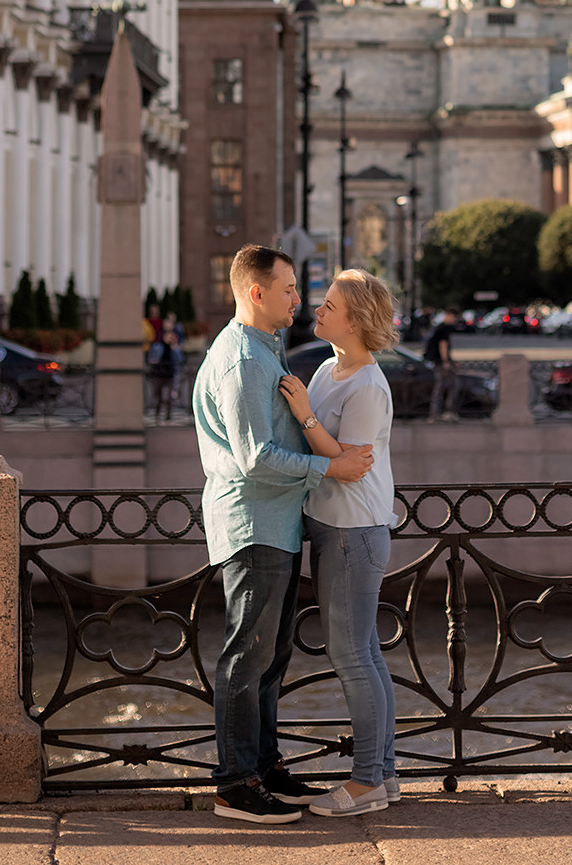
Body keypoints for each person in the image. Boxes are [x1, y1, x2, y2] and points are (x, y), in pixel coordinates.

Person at [193, 244, 375, 825]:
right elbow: (253, 457)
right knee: (247, 657)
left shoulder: (263, 349)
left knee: (269, 656)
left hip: (276, 521)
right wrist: (331, 467)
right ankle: (235, 782)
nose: (299, 298)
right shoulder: (244, 360)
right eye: (291, 289)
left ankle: (263, 769)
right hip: (254, 523)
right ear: (257, 292)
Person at [279, 270, 398, 817]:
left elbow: (346, 465)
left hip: (354, 529)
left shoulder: (368, 385)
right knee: (365, 655)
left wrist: (303, 410)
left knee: (352, 656)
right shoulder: (329, 367)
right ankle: (385, 776)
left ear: (355, 319)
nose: (315, 311)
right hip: (335, 526)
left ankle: (367, 781)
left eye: (328, 306)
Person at [423, 309, 460, 422]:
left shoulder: (439, 328)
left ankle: (438, 413)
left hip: (437, 361)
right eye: (454, 317)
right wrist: (446, 361)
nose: (454, 320)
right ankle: (444, 412)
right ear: (449, 316)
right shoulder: (444, 329)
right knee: (449, 386)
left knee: (442, 386)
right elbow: (443, 346)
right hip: (440, 362)